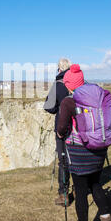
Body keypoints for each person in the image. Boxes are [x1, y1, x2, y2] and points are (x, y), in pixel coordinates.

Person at [56, 64, 111, 221]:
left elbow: (61, 128)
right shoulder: (100, 97)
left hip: (78, 150)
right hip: (99, 149)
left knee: (81, 191)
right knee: (96, 184)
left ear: (69, 84)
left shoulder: (69, 101)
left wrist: (61, 135)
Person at [44, 58, 72, 206]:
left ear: (59, 69)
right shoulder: (80, 83)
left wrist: (58, 110)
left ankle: (64, 193)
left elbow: (48, 106)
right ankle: (83, 188)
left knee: (64, 161)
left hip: (63, 128)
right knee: (78, 158)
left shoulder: (58, 85)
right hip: (80, 127)